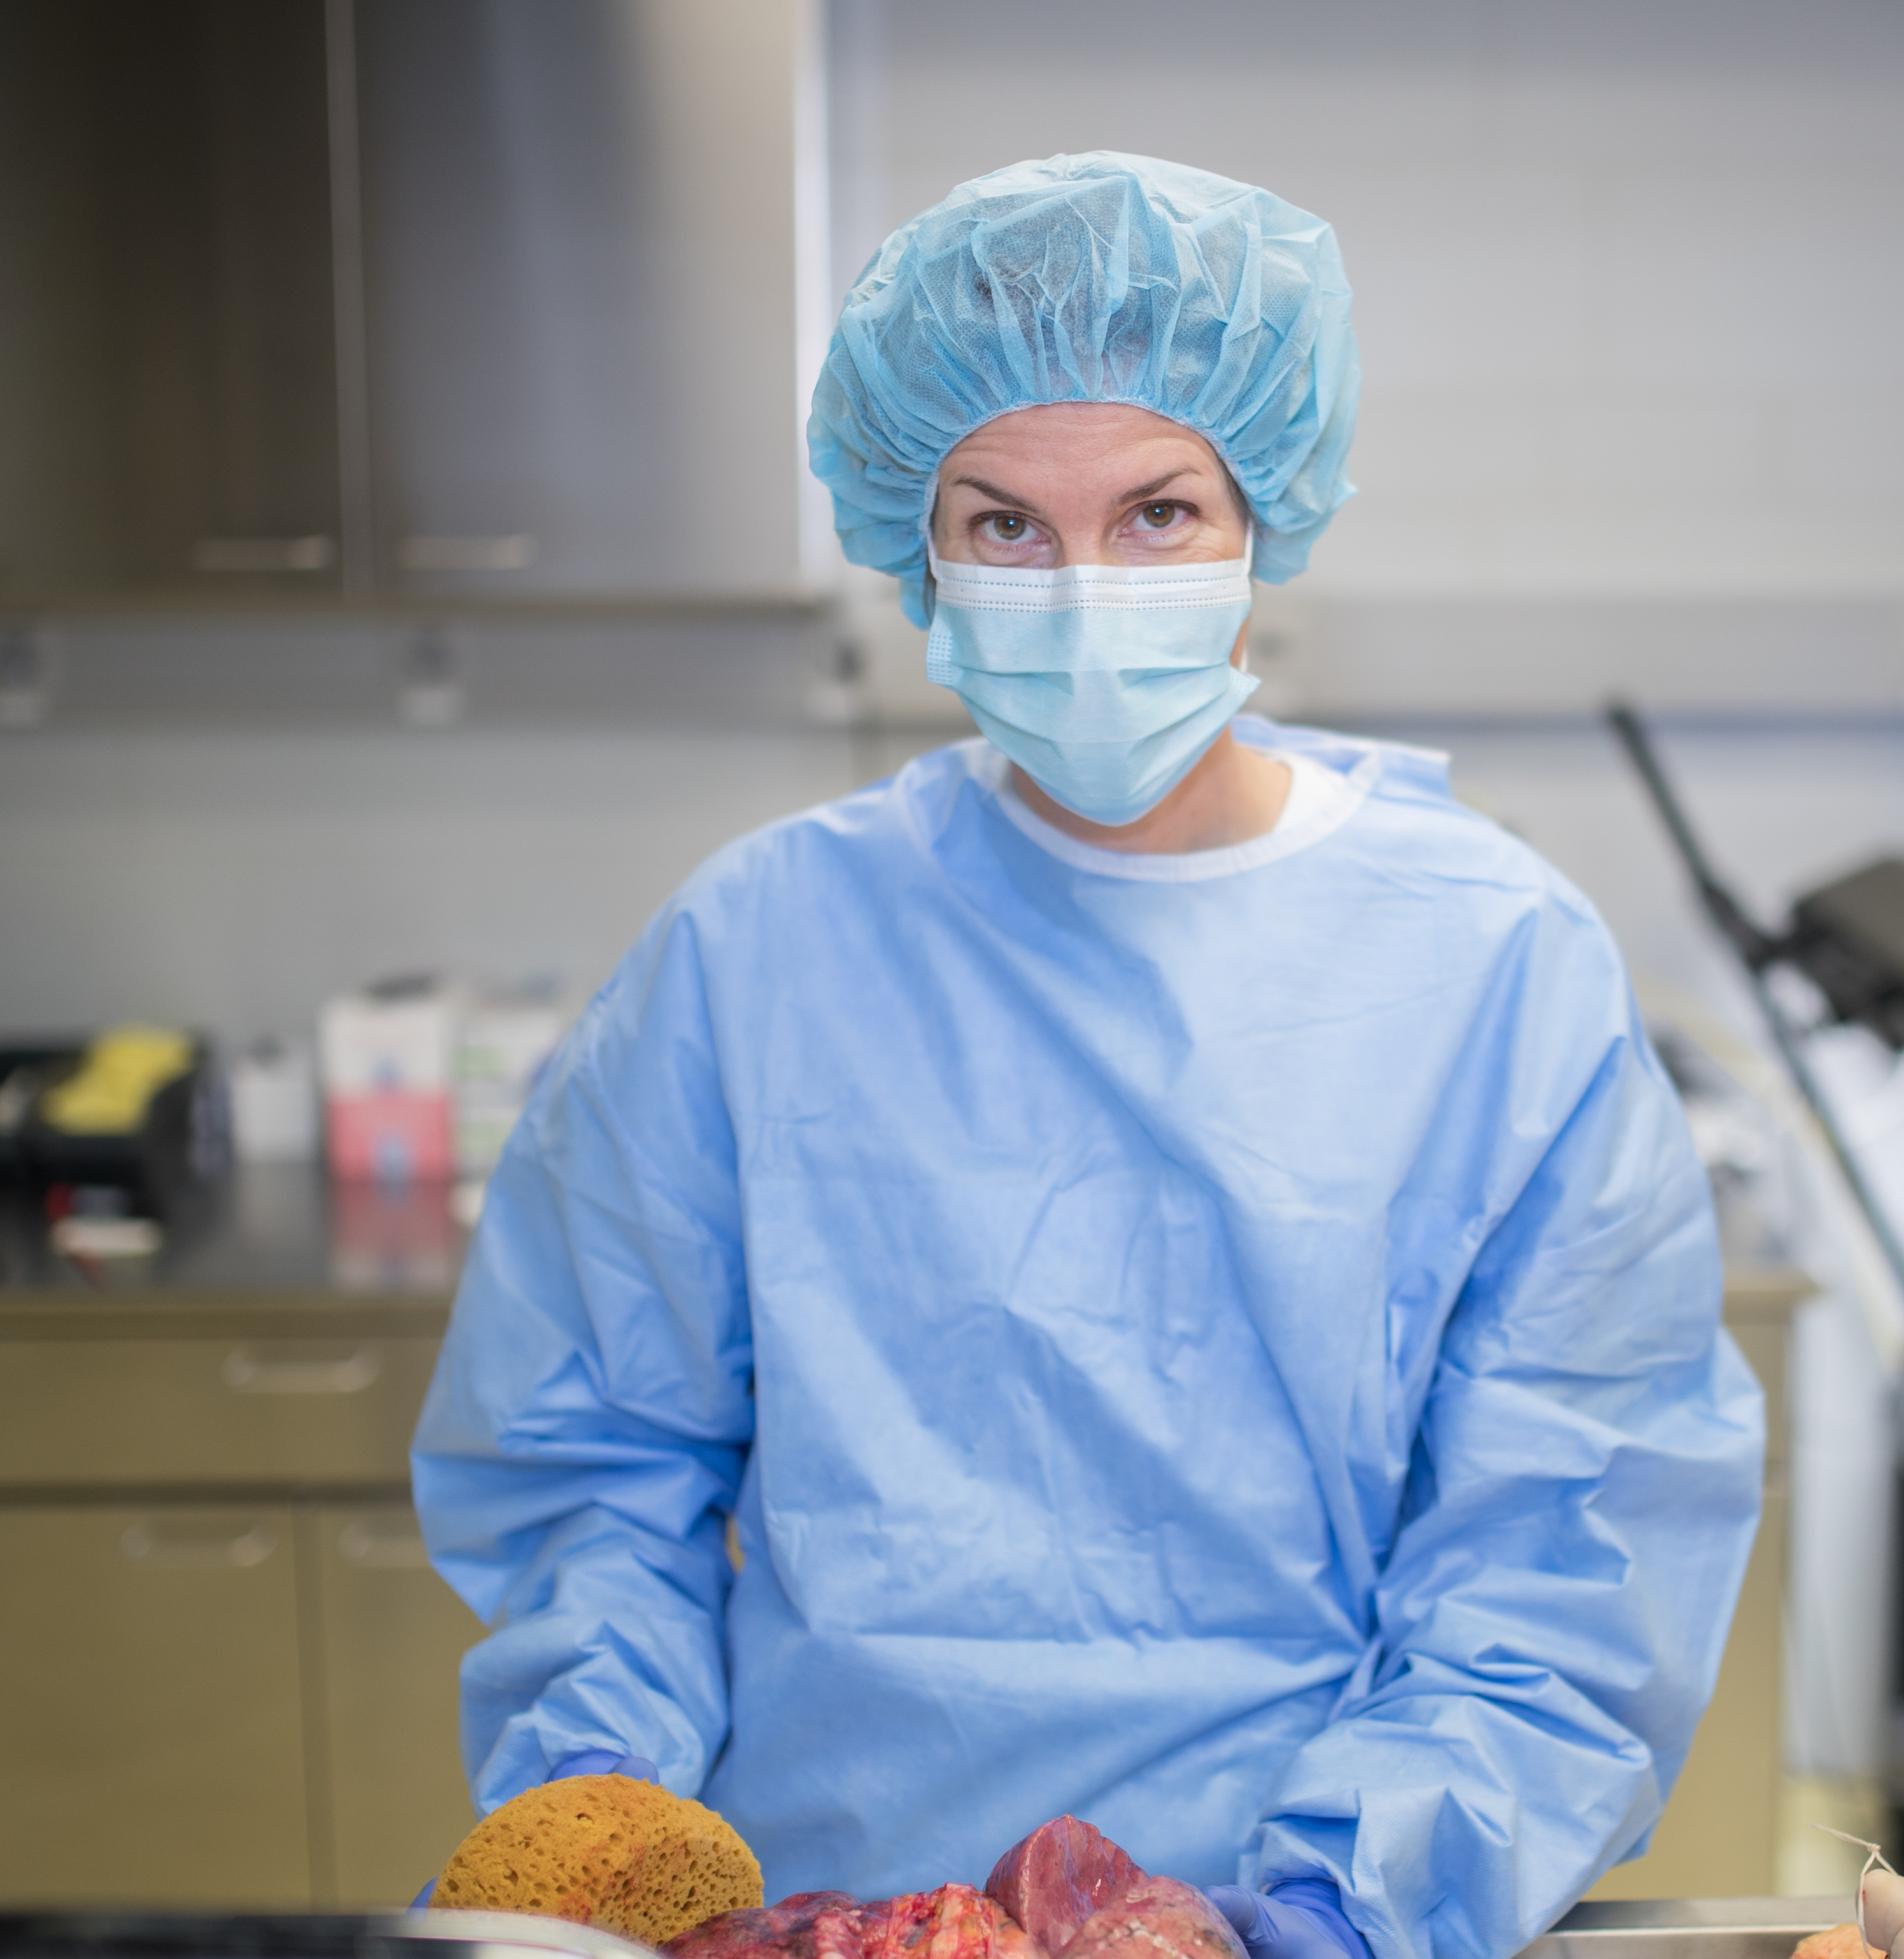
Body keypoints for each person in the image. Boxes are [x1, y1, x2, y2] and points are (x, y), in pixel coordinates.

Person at [412, 152, 1765, 1959]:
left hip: (1296, 1911)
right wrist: (615, 1811)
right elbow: (591, 1462)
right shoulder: (760, 950)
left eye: (1154, 515)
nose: (1079, 588)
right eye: (1003, 526)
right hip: (821, 1906)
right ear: (916, 544)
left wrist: (1313, 1911)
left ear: (1260, 518)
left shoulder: (1491, 968)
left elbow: (1561, 1553)